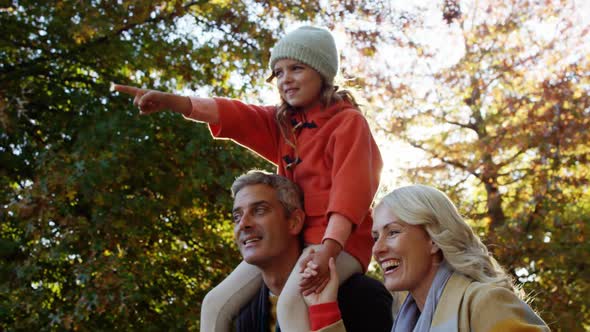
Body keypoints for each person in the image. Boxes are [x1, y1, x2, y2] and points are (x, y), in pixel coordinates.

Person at [113, 25, 382, 332]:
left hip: (340, 242)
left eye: (296, 68)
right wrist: (173, 101)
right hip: (296, 238)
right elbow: (235, 115)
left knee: (292, 304)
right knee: (214, 303)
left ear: (321, 72)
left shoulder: (348, 123)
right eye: (278, 73)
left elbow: (353, 192)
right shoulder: (285, 123)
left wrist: (329, 250)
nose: (285, 79)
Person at [303, 184, 550, 332]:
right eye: (376, 236)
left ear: (433, 239)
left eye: (393, 232)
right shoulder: (405, 321)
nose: (377, 249)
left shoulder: (484, 302)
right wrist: (323, 308)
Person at [229, 170, 392, 332]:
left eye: (259, 210)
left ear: (294, 222)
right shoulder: (246, 309)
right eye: (237, 216)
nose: (243, 223)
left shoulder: (364, 297)